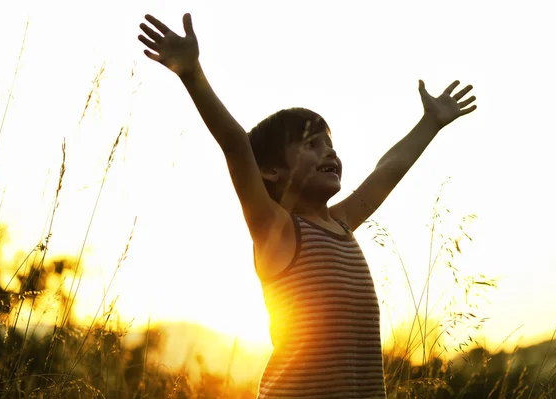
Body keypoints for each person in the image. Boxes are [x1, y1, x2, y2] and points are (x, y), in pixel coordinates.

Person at [138, 12, 476, 399]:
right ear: (269, 171)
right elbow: (235, 144)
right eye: (311, 144)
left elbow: (389, 168)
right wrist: (191, 73)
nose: (328, 152)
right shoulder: (274, 229)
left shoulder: (343, 222)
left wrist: (430, 123)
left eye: (330, 144)